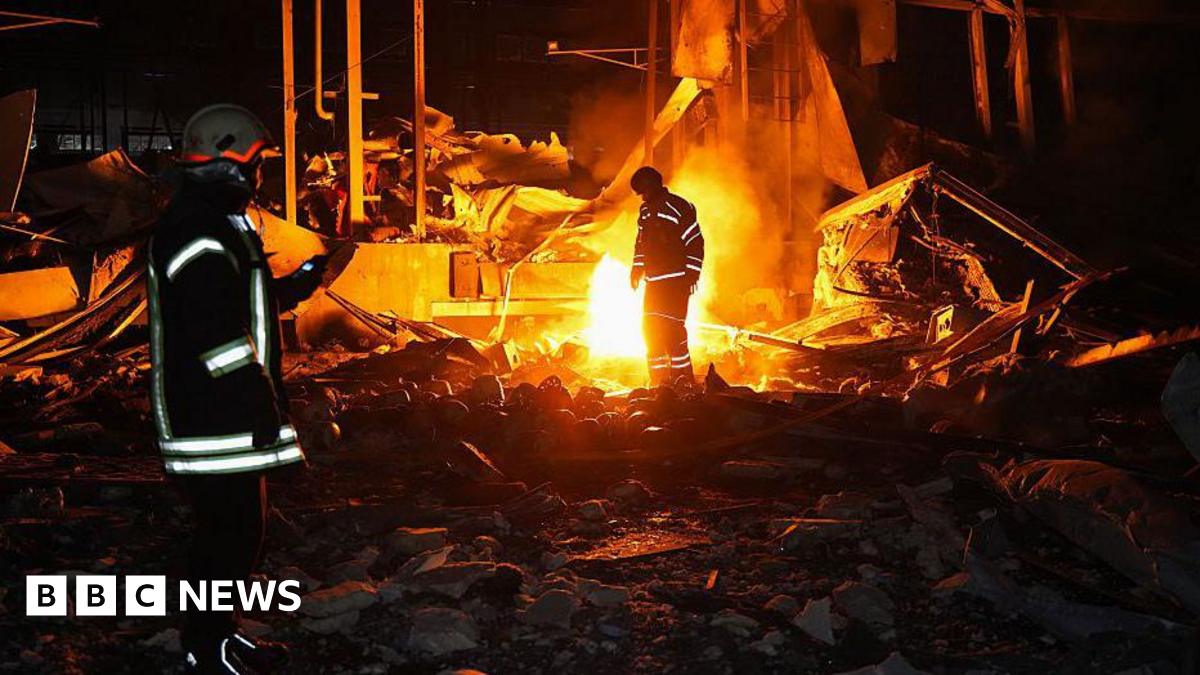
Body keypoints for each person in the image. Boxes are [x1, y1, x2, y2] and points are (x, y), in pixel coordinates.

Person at [148, 104, 326, 674]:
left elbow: (228, 302)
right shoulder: (198, 229)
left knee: (237, 533)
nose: (260, 176)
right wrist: (255, 393)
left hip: (220, 408)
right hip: (211, 415)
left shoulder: (212, 222)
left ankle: (219, 636)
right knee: (228, 537)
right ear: (232, 165)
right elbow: (211, 331)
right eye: (258, 163)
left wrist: (288, 291)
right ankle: (206, 650)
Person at [629, 166, 705, 386]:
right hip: (653, 285)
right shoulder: (645, 212)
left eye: (643, 192)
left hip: (675, 284)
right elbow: (641, 244)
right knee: (650, 332)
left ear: (653, 186)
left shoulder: (679, 207)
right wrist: (636, 269)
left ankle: (683, 382)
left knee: (673, 334)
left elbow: (695, 242)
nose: (642, 197)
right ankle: (660, 384)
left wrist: (692, 274)